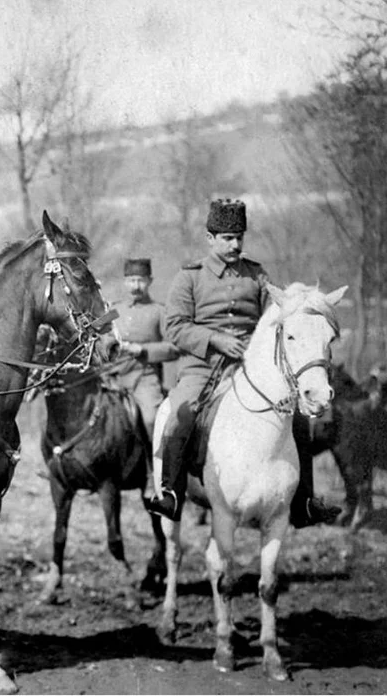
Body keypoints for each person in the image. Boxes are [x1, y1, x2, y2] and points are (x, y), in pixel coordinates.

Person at [146, 199, 341, 527]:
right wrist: (216, 340)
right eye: (227, 238)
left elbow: (279, 317)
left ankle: (303, 502)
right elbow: (175, 327)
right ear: (210, 239)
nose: (236, 244)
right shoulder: (189, 278)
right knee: (180, 414)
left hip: (251, 368)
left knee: (295, 420)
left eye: (239, 237)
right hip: (202, 367)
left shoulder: (257, 274)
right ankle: (171, 494)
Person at [110, 257, 181, 438]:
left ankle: (157, 463)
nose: (136, 286)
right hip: (111, 378)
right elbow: (95, 336)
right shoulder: (112, 310)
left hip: (144, 379)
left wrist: (143, 350)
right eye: (131, 280)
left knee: (152, 420)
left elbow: (174, 347)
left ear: (150, 281)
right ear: (125, 282)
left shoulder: (160, 311)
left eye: (141, 280)